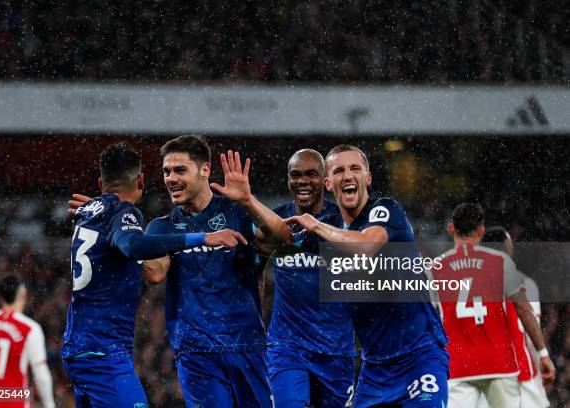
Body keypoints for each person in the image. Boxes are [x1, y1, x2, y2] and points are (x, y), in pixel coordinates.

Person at [214, 145, 449, 407]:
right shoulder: (328, 231)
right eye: (339, 170)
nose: (347, 176)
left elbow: (365, 246)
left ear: (367, 178)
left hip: (418, 356)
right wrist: (248, 201)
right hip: (374, 368)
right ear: (329, 182)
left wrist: (316, 225)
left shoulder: (385, 210)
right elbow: (280, 236)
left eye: (355, 169)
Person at [62, 142, 246, 408]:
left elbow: (153, 272)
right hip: (104, 350)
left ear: (100, 181)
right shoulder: (124, 213)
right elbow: (132, 245)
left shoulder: (90, 214)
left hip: (78, 348)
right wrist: (203, 237)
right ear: (140, 180)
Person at [144, 135, 272, 407]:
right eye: (166, 171)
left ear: (204, 170)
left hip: (246, 344)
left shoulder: (238, 213)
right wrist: (123, 236)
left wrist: (249, 201)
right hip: (196, 351)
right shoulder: (162, 227)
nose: (170, 178)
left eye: (180, 170)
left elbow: (279, 239)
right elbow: (154, 272)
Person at [432, 204, 555, 407]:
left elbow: (426, 318)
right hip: (500, 362)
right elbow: (523, 308)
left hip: (458, 364)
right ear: (481, 231)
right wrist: (543, 354)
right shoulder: (501, 262)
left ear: (451, 228)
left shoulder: (435, 268)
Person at [259, 149, 355, 408]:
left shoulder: (344, 223)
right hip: (287, 347)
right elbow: (255, 267)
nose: (302, 181)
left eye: (311, 175)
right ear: (289, 180)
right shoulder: (277, 221)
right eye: (296, 175)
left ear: (325, 181)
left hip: (335, 349)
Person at [475, 226, 551, 408]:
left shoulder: (468, 282)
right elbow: (530, 332)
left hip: (482, 370)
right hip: (519, 370)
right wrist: (543, 360)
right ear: (507, 248)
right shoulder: (524, 283)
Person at [0, 275, 55, 408]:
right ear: (23, 294)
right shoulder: (30, 329)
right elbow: (40, 374)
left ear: (0, 297)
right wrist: (49, 404)